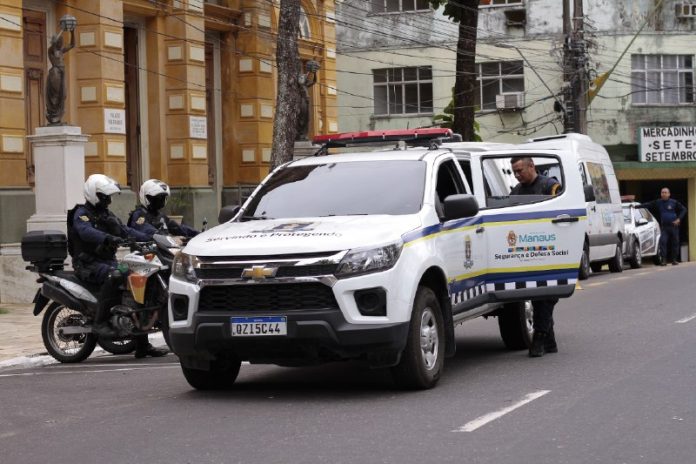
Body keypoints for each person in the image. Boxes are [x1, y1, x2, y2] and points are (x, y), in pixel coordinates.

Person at [67, 174, 167, 359]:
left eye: (109, 197)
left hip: (107, 261)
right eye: (105, 197)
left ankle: (142, 345)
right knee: (114, 275)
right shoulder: (81, 214)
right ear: (94, 194)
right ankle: (100, 322)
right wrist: (107, 237)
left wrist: (151, 238)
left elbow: (124, 230)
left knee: (137, 278)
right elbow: (85, 232)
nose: (108, 200)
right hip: (88, 264)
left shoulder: (106, 214)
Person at [510, 156, 560, 357]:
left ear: (532, 166)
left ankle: (539, 337)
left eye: (520, 170)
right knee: (537, 296)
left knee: (547, 295)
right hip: (527, 251)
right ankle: (550, 341)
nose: (517, 174)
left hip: (550, 248)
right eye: (514, 171)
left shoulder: (551, 186)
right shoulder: (516, 191)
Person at [127, 179, 199, 239]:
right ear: (146, 197)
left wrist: (197, 234)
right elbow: (147, 230)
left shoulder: (159, 215)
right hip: (144, 253)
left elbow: (177, 227)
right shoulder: (139, 215)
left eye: (162, 198)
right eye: (157, 198)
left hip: (162, 251)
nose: (160, 201)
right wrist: (168, 238)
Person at [640, 187, 686, 265]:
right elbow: (648, 204)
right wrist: (636, 206)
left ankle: (674, 260)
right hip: (665, 227)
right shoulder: (658, 202)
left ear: (669, 194)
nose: (663, 194)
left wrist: (679, 219)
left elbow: (684, 209)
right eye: (662, 192)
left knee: (675, 243)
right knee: (663, 242)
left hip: (674, 226)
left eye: (665, 192)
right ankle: (664, 260)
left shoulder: (674, 202)